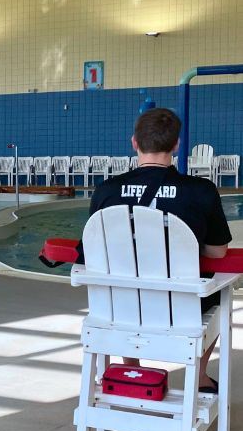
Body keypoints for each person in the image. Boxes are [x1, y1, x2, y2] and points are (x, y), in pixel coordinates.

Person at [84, 107, 231, 393]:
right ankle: (199, 376)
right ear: (176, 145)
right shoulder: (200, 190)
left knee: (125, 281)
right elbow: (217, 253)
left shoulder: (106, 191)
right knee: (221, 296)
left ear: (135, 143)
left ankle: (132, 366)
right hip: (182, 310)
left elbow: (93, 251)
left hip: (119, 308)